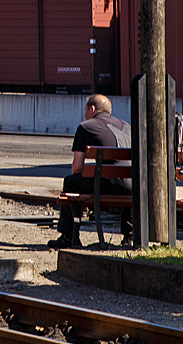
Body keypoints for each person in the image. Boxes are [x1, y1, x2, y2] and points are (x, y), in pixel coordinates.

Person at [49, 94, 131, 249]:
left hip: (108, 184)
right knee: (124, 179)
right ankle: (130, 237)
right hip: (133, 187)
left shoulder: (86, 127)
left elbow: (77, 168)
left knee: (70, 182)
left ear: (92, 109)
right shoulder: (127, 126)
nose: (84, 114)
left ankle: (68, 236)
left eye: (85, 109)